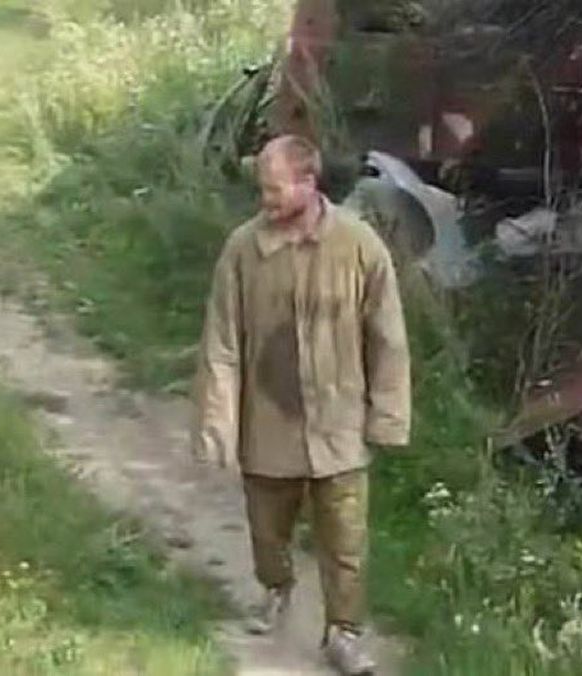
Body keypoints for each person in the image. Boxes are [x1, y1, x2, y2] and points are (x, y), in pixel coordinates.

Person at [190, 134, 411, 675]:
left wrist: (387, 416)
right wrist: (218, 421)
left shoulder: (358, 246)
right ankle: (276, 588)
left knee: (346, 538)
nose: (264, 200)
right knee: (268, 528)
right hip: (269, 422)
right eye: (262, 189)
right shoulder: (243, 251)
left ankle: (344, 632)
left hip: (340, 422)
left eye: (274, 189)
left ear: (309, 183)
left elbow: (387, 337)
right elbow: (221, 343)